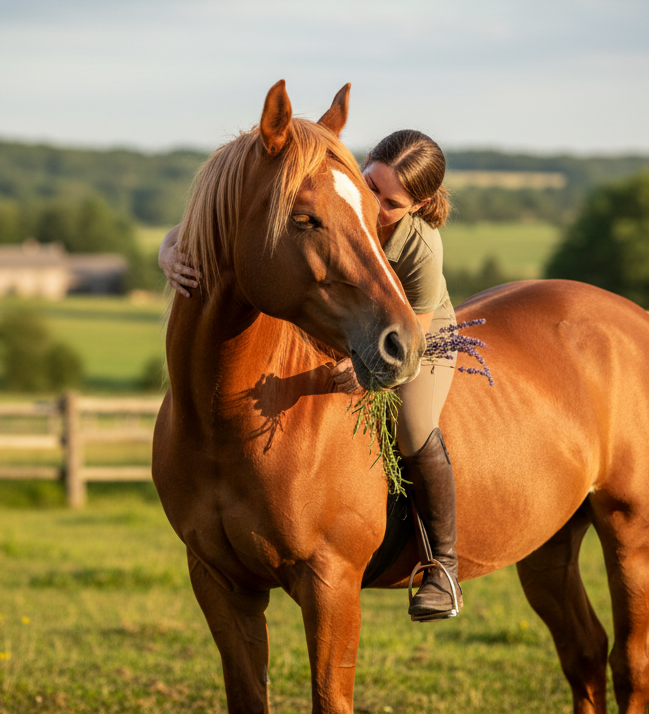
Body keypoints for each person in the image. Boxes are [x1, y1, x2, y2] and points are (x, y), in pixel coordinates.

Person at [159, 129, 462, 622]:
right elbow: (210, 227)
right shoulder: (343, 199)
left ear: (418, 204)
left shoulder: (421, 247)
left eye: (392, 202)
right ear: (363, 165)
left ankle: (441, 566)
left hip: (415, 331)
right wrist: (167, 252)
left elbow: (414, 334)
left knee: (413, 423)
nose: (378, 204)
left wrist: (366, 375)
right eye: (372, 186)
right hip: (351, 314)